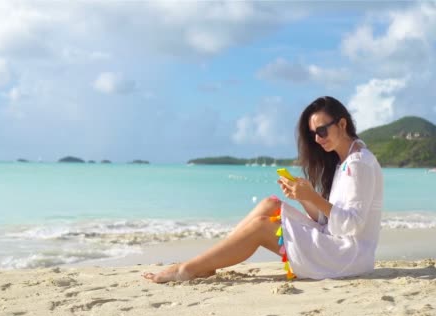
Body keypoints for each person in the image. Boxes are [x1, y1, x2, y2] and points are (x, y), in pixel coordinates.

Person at [142, 96, 383, 283]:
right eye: (313, 135)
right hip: (337, 244)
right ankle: (206, 262)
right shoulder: (345, 162)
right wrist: (304, 198)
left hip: (347, 256)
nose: (318, 140)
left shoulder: (358, 163)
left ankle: (187, 270)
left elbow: (352, 225)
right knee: (271, 203)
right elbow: (328, 219)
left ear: (342, 124)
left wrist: (313, 197)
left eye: (322, 131)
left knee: (261, 226)